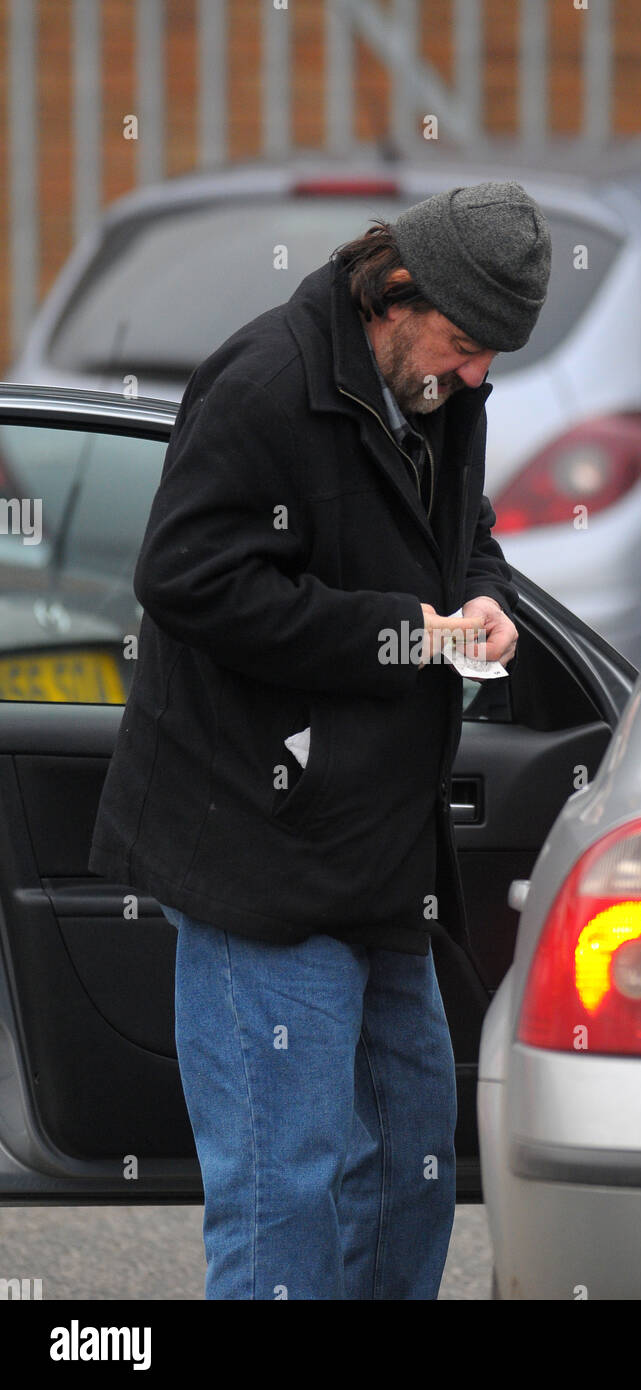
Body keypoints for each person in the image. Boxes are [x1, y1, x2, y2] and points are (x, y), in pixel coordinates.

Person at [88, 179, 551, 1299]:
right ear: (397, 294)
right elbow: (187, 581)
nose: (475, 375)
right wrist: (406, 634)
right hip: (261, 850)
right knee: (280, 1192)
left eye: (494, 356)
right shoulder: (264, 384)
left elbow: (464, 542)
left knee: (407, 1169)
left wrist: (485, 606)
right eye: (461, 343)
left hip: (380, 862)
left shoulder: (442, 390)